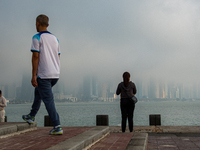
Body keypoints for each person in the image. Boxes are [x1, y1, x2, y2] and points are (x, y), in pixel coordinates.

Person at [22, 14, 63, 135]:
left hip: (44, 75)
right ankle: (31, 115)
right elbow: (58, 56)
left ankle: (57, 126)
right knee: (38, 94)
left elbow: (35, 56)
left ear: (37, 23)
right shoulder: (56, 39)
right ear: (48, 25)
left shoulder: (37, 37)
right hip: (55, 74)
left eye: (36, 24)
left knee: (48, 100)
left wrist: (34, 75)